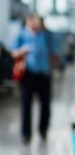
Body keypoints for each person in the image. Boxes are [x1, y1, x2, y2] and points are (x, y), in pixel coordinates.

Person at [10, 13, 59, 144]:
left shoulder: (44, 35)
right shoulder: (22, 35)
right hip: (28, 75)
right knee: (26, 105)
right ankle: (26, 134)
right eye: (34, 21)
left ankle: (43, 130)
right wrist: (22, 51)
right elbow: (13, 52)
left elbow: (54, 51)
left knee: (46, 104)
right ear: (29, 21)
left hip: (43, 74)